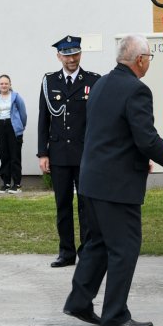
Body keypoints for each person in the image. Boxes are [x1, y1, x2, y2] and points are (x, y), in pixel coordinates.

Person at [63, 34, 163, 326]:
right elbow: (145, 136)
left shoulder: (101, 84)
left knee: (97, 244)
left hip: (92, 179)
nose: (149, 62)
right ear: (139, 60)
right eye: (149, 57)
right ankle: (114, 315)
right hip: (116, 185)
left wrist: (139, 156)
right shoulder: (136, 90)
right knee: (124, 247)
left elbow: (111, 131)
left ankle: (79, 301)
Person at [38, 35, 101, 268]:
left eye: (75, 54)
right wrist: (42, 153)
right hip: (59, 154)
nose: (71, 59)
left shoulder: (93, 81)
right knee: (62, 205)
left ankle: (87, 251)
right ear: (59, 57)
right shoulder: (49, 81)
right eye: (66, 55)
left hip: (85, 153)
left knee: (86, 204)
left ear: (80, 54)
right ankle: (66, 252)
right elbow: (43, 119)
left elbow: (99, 120)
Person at [0, 75, 28, 194]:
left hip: (13, 128)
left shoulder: (16, 97)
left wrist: (20, 127)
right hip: (0, 128)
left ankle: (16, 184)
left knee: (15, 156)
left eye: (6, 83)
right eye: (1, 83)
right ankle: (6, 183)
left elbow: (23, 114)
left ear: (10, 84)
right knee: (4, 156)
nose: (4, 85)